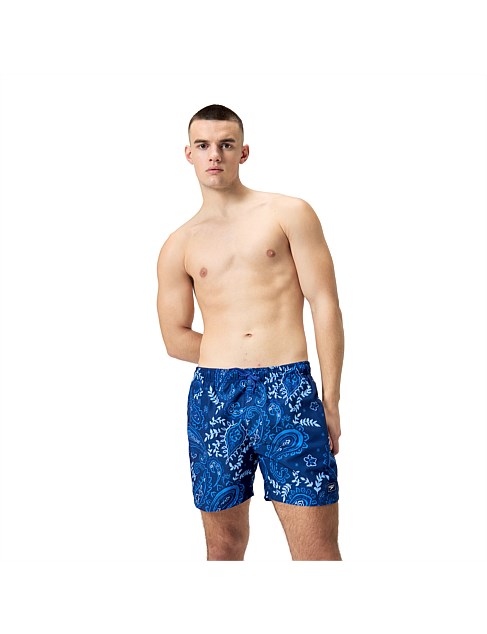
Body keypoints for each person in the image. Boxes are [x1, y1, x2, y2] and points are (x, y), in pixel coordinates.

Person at [156, 104, 344, 561]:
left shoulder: (287, 213)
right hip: (215, 397)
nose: (214, 154)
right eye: (203, 145)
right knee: (222, 548)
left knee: (316, 552)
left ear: (243, 152)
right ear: (188, 154)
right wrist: (228, 350)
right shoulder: (179, 244)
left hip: (288, 390)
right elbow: (175, 337)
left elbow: (324, 304)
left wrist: (331, 399)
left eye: (226, 144)